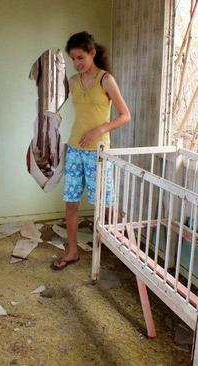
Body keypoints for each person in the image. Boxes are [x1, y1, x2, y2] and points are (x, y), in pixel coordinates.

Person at [51, 31, 131, 270]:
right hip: (75, 148)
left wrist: (99, 130)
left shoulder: (106, 80)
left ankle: (122, 245)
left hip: (98, 151)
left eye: (80, 58)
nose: (77, 63)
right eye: (73, 59)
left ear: (92, 53)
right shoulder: (73, 82)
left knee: (105, 204)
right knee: (71, 203)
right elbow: (52, 105)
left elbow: (125, 115)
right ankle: (72, 251)